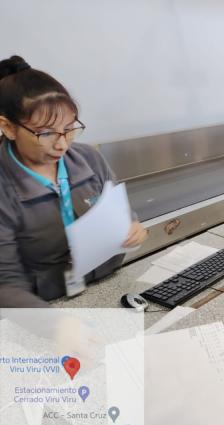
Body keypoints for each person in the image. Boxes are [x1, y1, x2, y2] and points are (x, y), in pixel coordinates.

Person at [0, 56, 148, 308]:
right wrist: (53, 324)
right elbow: (5, 283)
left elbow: (121, 213)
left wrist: (133, 227)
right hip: (41, 305)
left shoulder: (88, 158)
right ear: (8, 127)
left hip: (104, 283)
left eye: (69, 128)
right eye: (46, 133)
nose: (62, 144)